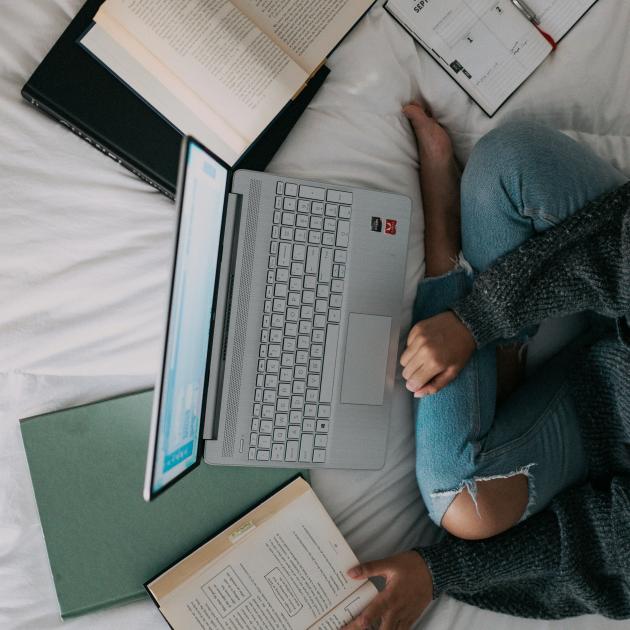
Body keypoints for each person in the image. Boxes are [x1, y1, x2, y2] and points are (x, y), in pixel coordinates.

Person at [342, 103, 630, 630]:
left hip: (605, 418)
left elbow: (611, 537)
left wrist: (440, 573)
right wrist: (479, 319)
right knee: (509, 162)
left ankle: (446, 255)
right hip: (619, 279)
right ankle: (494, 338)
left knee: (460, 499)